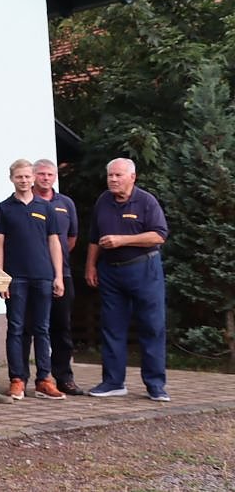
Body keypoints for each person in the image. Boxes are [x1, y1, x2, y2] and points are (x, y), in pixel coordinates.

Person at [85, 158, 169, 401]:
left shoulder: (146, 201)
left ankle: (155, 385)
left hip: (144, 269)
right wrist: (90, 266)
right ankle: (113, 382)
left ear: (132, 177)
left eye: (118, 175)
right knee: (112, 327)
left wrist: (122, 240)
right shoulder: (103, 201)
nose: (113, 179)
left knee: (152, 326)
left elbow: (159, 235)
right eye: (110, 175)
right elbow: (94, 238)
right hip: (110, 272)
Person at [0, 159, 65, 401]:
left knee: (42, 328)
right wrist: (0, 277)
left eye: (27, 176)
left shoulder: (46, 208)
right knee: (16, 328)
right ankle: (17, 379)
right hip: (15, 278)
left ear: (33, 178)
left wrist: (58, 276)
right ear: (11, 179)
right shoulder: (3, 209)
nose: (24, 180)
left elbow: (54, 242)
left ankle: (44, 379)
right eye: (19, 177)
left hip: (43, 276)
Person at [32, 158, 82, 395]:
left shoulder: (66, 203)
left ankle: (64, 377)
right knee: (28, 328)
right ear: (33, 176)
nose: (45, 178)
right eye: (41, 174)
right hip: (31, 274)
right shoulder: (26, 201)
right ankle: (26, 379)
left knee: (62, 327)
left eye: (50, 174)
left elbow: (71, 238)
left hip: (62, 273)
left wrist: (56, 262)